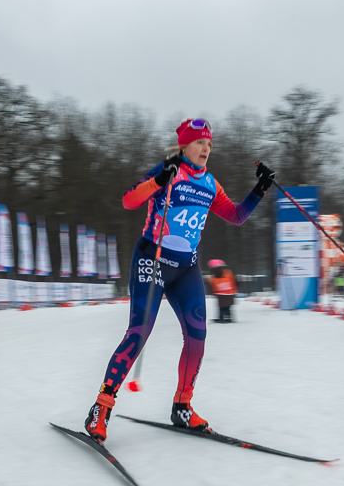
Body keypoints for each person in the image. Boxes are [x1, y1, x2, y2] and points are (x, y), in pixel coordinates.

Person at [83, 119, 274, 441]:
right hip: (152, 259)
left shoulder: (211, 184)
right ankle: (101, 407)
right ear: (184, 145)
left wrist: (260, 189)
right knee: (139, 333)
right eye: (200, 143)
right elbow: (129, 201)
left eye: (209, 145)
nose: (206, 150)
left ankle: (182, 406)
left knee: (197, 337)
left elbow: (236, 216)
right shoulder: (168, 171)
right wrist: (159, 180)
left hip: (186, 269)